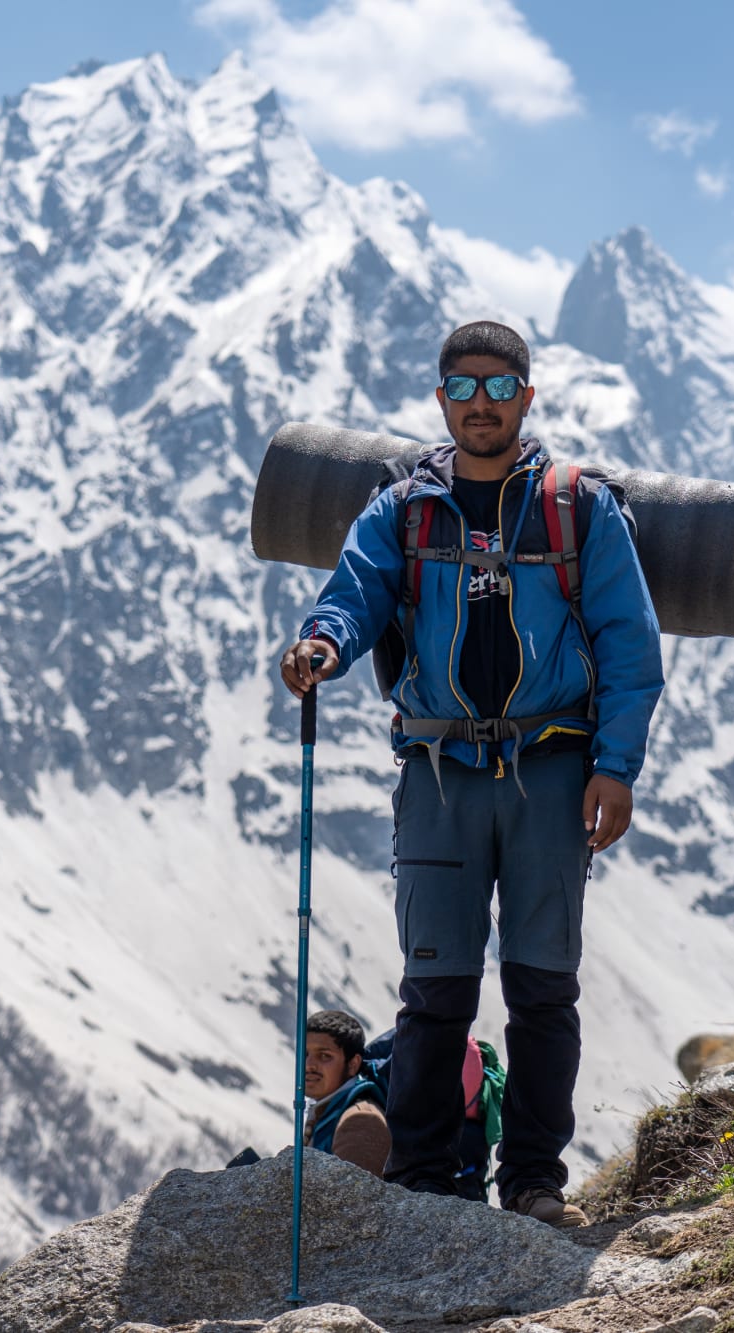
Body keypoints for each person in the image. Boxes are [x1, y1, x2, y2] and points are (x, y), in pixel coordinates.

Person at [279, 320, 664, 1228]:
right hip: (440, 770)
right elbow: (359, 588)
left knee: (542, 987)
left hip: (554, 768)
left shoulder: (579, 508)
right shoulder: (403, 510)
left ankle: (532, 1180)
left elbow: (628, 643)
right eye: (463, 389)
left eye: (499, 389)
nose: (481, 405)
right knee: (436, 990)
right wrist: (322, 643)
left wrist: (615, 766)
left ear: (528, 398)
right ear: (440, 398)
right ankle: (420, 1177)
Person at [304, 1009, 390, 1176]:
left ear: (352, 1064)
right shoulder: (331, 1111)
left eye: (324, 1055)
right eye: (305, 1054)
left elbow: (355, 1200)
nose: (309, 1065)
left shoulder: (361, 1120)